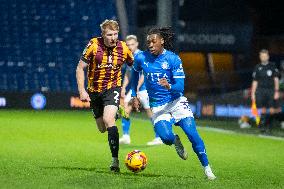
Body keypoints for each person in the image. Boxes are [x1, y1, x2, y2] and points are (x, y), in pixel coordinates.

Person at [131, 27, 216, 180]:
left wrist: (169, 86)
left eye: (153, 41)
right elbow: (134, 73)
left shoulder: (173, 59)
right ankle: (175, 140)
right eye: (148, 42)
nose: (150, 44)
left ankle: (207, 168)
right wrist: (133, 94)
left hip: (176, 102)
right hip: (157, 106)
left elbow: (180, 87)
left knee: (192, 133)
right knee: (166, 138)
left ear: (162, 41)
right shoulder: (141, 58)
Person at [76, 19, 134, 172]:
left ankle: (115, 161)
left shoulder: (123, 47)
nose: (113, 37)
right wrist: (82, 91)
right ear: (103, 35)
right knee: (102, 128)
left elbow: (135, 66)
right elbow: (80, 67)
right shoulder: (93, 45)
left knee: (109, 120)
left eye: (115, 34)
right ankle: (117, 112)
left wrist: (134, 91)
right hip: (94, 91)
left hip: (112, 88)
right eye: (109, 34)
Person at [119, 35, 163, 145]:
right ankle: (126, 136)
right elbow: (128, 73)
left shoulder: (141, 56)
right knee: (125, 108)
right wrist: (124, 87)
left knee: (150, 112)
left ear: (137, 44)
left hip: (144, 89)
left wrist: (137, 89)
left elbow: (144, 73)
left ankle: (159, 137)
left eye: (132, 44)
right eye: (128, 45)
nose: (130, 47)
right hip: (135, 89)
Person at [251, 49, 280, 133]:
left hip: (271, 90)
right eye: (262, 56)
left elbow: (276, 79)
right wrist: (253, 93)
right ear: (260, 57)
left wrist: (276, 91)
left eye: (265, 56)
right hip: (260, 90)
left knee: (271, 109)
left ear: (268, 56)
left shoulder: (272, 66)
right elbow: (255, 81)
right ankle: (263, 126)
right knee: (262, 109)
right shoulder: (257, 67)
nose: (263, 57)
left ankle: (268, 124)